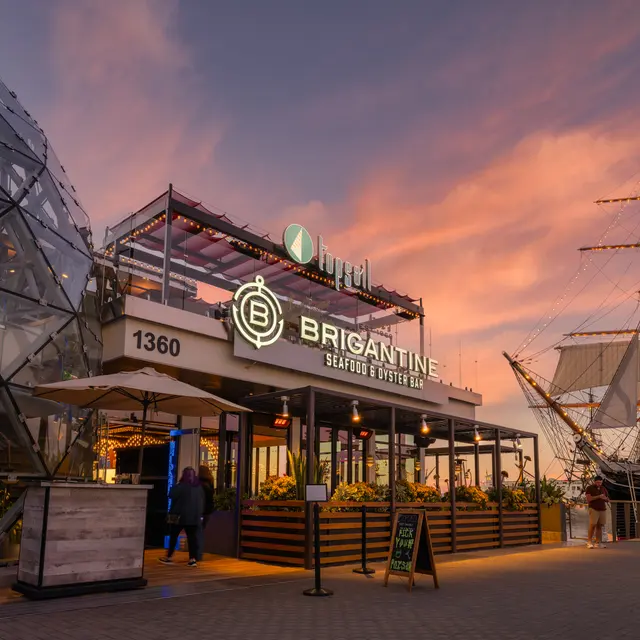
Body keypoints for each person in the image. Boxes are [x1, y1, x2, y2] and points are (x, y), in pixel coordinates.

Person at [160, 467, 204, 567]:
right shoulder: (198, 487)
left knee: (174, 536)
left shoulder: (180, 486)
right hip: (193, 517)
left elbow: (171, 494)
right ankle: (192, 559)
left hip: (179, 516)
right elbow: (201, 502)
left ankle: (169, 557)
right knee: (192, 538)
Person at [585, 475, 609, 549]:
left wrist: (605, 498)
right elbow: (589, 499)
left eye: (600, 482)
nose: (599, 484)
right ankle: (589, 542)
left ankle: (598, 542)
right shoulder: (589, 488)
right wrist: (598, 496)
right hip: (593, 508)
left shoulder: (603, 489)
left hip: (602, 509)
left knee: (600, 526)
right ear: (594, 482)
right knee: (592, 524)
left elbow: (607, 499)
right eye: (597, 482)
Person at [197, 465, 215, 562]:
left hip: (200, 511)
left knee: (197, 532)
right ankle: (199, 554)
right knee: (200, 531)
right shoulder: (210, 482)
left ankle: (197, 554)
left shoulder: (198, 483)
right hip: (208, 511)